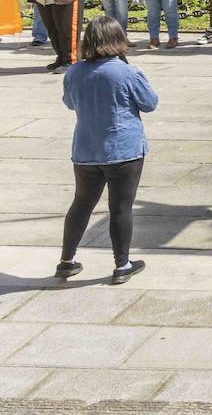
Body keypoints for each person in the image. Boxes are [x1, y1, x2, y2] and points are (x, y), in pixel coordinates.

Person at [55, 17, 158, 285]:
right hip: (123, 149)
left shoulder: (74, 72)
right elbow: (150, 103)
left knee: (81, 204)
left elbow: (69, 103)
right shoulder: (127, 72)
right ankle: (122, 264)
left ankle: (66, 261)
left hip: (86, 149)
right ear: (118, 40)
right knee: (120, 207)